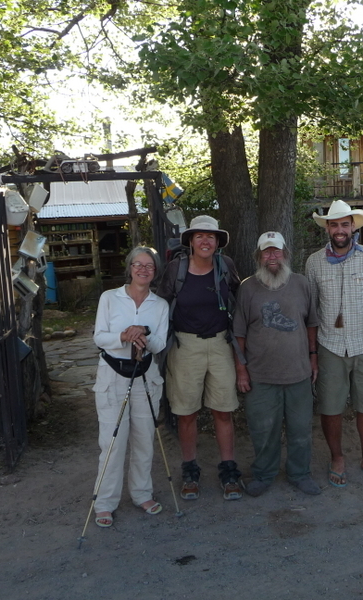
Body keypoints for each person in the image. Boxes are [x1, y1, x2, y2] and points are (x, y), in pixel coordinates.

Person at [305, 200, 363, 488]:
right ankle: (337, 459)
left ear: (353, 226)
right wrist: (312, 354)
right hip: (330, 345)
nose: (340, 229)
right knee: (330, 407)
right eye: (334, 224)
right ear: (328, 229)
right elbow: (311, 311)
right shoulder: (314, 262)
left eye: (345, 224)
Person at [157, 215, 243, 501]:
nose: (205, 241)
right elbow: (159, 303)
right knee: (186, 412)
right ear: (191, 241)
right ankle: (190, 468)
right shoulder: (176, 269)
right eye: (199, 236)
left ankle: (228, 468)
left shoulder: (225, 265)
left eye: (210, 236)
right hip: (185, 346)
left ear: (217, 242)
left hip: (221, 344)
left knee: (223, 409)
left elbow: (238, 298)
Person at [233, 232, 321, 497]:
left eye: (276, 251)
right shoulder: (248, 287)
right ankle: (263, 474)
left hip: (298, 373)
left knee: (300, 429)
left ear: (285, 253)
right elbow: (239, 333)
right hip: (260, 375)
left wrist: (313, 358)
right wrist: (241, 369)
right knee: (263, 430)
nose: (272, 257)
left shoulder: (302, 284)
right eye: (266, 252)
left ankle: (299, 474)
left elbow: (312, 324)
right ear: (259, 257)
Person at [91, 246, 169, 527]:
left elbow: (160, 343)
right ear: (130, 268)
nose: (143, 270)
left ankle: (141, 493)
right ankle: (104, 502)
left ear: (155, 271)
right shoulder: (110, 298)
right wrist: (124, 335)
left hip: (145, 375)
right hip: (112, 375)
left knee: (144, 438)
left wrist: (144, 334)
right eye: (138, 264)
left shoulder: (160, 305)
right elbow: (99, 337)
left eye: (149, 266)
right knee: (112, 441)